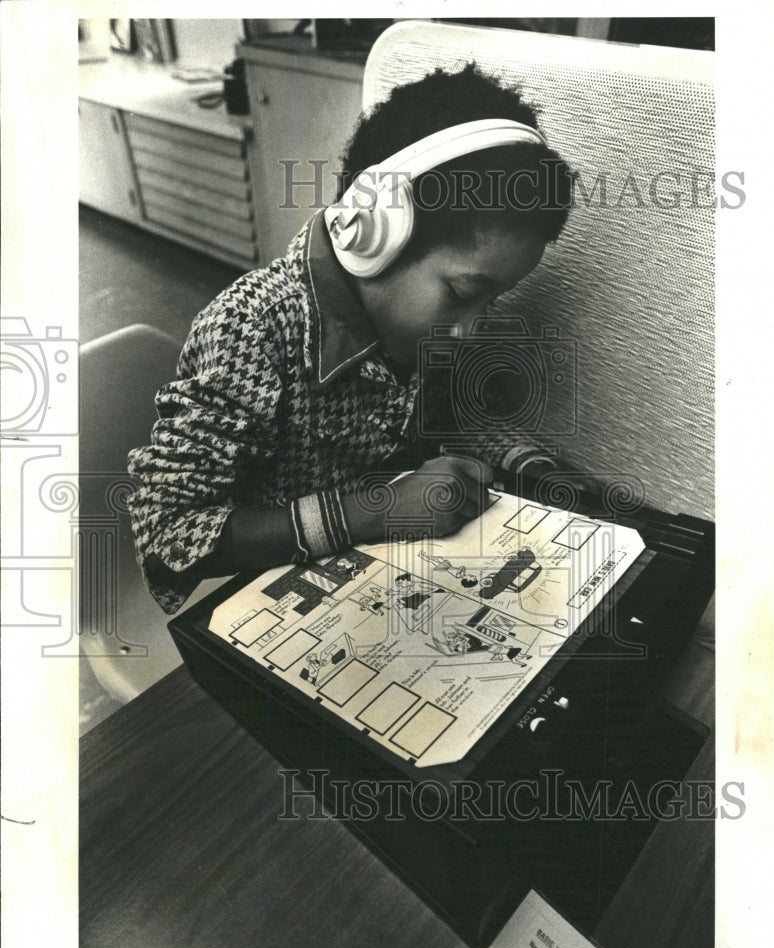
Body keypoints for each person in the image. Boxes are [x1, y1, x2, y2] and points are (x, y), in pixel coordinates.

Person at [127, 64, 574, 614]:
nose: (471, 329)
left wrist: (540, 470)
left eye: (491, 301)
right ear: (376, 233)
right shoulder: (251, 327)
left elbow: (456, 416)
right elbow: (168, 538)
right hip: (263, 602)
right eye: (461, 293)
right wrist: (377, 510)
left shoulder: (416, 327)